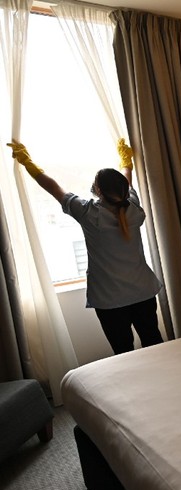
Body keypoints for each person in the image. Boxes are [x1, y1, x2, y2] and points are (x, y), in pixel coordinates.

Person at [7, 138, 163, 355]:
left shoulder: (89, 213)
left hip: (110, 300)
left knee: (124, 352)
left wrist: (28, 162)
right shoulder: (134, 208)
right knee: (154, 343)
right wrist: (125, 160)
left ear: (98, 189)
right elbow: (127, 179)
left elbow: (53, 187)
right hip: (144, 293)